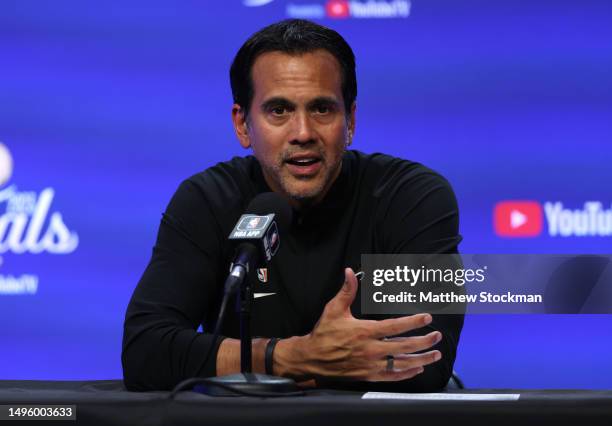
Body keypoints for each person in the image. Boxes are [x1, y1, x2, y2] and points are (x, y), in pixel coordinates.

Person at [122, 19, 464, 392]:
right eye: (279, 111)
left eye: (322, 109)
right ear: (242, 125)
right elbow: (146, 352)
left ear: (350, 120)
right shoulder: (208, 200)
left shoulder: (409, 197)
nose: (302, 132)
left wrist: (249, 363)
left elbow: (426, 359)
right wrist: (291, 356)